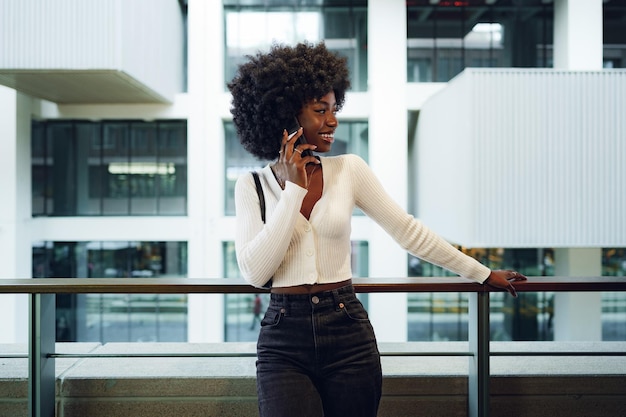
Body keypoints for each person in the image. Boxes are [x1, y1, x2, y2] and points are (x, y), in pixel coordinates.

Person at [229, 41, 526, 417]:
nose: (332, 120)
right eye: (320, 110)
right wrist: (293, 190)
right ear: (286, 116)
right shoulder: (251, 186)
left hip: (347, 329)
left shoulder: (349, 169)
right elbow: (256, 273)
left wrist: (481, 273)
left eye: (334, 109)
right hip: (283, 338)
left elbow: (407, 230)